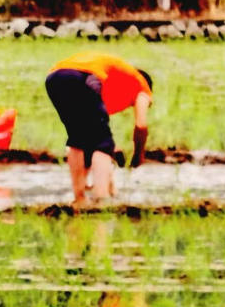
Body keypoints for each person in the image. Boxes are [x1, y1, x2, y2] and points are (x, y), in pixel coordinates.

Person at [45, 51, 152, 204]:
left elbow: (90, 140)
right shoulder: (142, 85)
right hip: (83, 76)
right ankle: (101, 199)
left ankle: (80, 200)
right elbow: (141, 125)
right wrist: (138, 156)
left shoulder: (110, 83)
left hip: (54, 78)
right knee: (103, 142)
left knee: (78, 138)